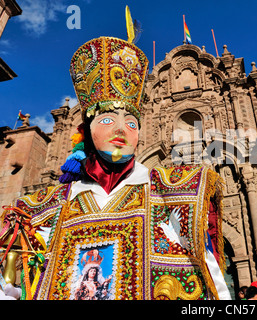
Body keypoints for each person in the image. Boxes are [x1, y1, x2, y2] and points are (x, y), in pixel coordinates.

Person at [0, 12, 230, 301]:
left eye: (132, 123)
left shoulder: (179, 194)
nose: (122, 129)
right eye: (108, 120)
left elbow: (214, 288)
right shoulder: (41, 209)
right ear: (84, 132)